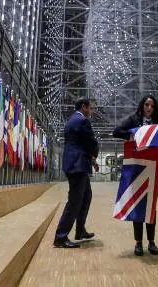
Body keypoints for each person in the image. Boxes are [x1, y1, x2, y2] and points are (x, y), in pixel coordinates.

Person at [112, 95, 158, 256]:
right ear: (142, 106)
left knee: (151, 207)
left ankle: (152, 242)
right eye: (147, 104)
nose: (149, 108)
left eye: (152, 106)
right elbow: (116, 132)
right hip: (136, 167)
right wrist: (131, 136)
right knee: (137, 206)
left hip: (152, 168)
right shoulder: (134, 119)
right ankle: (138, 243)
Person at [53, 97, 100, 249]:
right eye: (90, 108)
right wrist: (94, 154)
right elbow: (91, 142)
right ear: (83, 107)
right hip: (77, 165)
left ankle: (80, 230)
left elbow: (81, 144)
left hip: (77, 164)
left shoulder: (72, 120)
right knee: (74, 201)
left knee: (86, 197)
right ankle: (60, 237)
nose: (92, 111)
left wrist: (91, 160)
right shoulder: (82, 121)